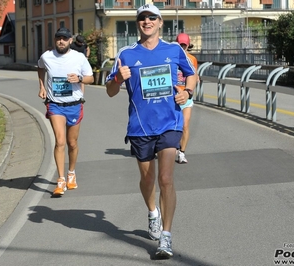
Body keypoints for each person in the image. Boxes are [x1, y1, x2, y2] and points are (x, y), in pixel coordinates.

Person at [105, 4, 197, 258]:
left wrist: (187, 92)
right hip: (140, 127)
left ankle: (166, 237)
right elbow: (110, 91)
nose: (147, 21)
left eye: (152, 17)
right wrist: (117, 79)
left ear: (160, 22)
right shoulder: (126, 53)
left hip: (169, 122)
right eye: (142, 18)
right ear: (138, 23)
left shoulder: (173, 50)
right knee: (148, 179)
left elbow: (192, 76)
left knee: (165, 179)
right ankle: (153, 212)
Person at [37, 27, 93, 196]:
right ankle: (60, 180)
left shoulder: (79, 57)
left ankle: (71, 173)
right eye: (58, 38)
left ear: (70, 41)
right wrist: (41, 86)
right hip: (55, 105)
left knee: (72, 143)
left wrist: (80, 79)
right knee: (60, 141)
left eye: (64, 38)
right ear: (55, 40)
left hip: (74, 104)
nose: (61, 41)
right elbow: (40, 68)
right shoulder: (46, 57)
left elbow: (90, 78)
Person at [175, 33, 198, 164]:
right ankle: (170, 147)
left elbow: (194, 75)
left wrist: (194, 81)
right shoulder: (171, 58)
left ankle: (182, 153)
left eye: (184, 45)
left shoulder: (192, 59)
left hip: (187, 97)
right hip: (173, 96)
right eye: (180, 44)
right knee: (171, 127)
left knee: (185, 125)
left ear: (188, 45)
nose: (182, 47)